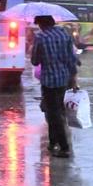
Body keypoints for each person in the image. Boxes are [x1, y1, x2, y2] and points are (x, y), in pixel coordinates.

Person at [31, 14, 78, 158]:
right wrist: (73, 79)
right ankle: (52, 143)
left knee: (53, 114)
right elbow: (71, 59)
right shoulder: (64, 35)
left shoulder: (41, 37)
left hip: (49, 82)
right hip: (64, 80)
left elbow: (34, 61)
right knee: (57, 111)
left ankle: (64, 147)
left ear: (42, 24)